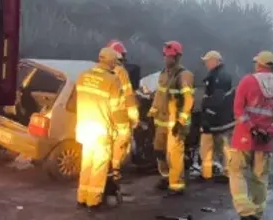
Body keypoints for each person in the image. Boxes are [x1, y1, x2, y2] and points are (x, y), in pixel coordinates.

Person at [228, 51, 273, 220]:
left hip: (244, 138)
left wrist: (252, 128)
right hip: (265, 142)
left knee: (237, 172)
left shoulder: (248, 81)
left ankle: (245, 211)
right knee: (260, 178)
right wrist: (268, 133)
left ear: (259, 64)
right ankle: (256, 213)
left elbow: (238, 110)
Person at [73, 47, 125, 210]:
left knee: (86, 163)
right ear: (110, 62)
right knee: (99, 166)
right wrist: (123, 131)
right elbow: (117, 109)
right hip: (101, 129)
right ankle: (94, 201)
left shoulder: (83, 76)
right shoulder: (112, 80)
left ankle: (82, 197)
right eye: (114, 62)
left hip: (84, 128)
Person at [148, 40, 194, 196]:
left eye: (170, 57)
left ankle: (176, 184)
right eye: (166, 56)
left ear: (178, 57)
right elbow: (159, 95)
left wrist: (180, 122)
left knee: (174, 155)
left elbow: (189, 100)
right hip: (162, 121)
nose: (167, 59)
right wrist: (151, 112)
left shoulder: (184, 75)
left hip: (176, 123)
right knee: (159, 151)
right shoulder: (162, 74)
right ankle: (166, 177)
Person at [199, 50, 235, 182]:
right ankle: (223, 173)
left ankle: (220, 174)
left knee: (220, 146)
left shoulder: (220, 76)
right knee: (222, 147)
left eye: (208, 61)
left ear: (216, 61)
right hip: (221, 119)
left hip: (219, 120)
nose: (206, 64)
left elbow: (217, 98)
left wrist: (208, 114)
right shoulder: (218, 75)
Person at [107, 40, 140, 185]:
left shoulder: (98, 70)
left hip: (101, 114)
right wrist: (135, 118)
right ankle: (115, 170)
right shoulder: (121, 72)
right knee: (121, 140)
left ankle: (106, 169)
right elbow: (129, 96)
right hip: (119, 114)